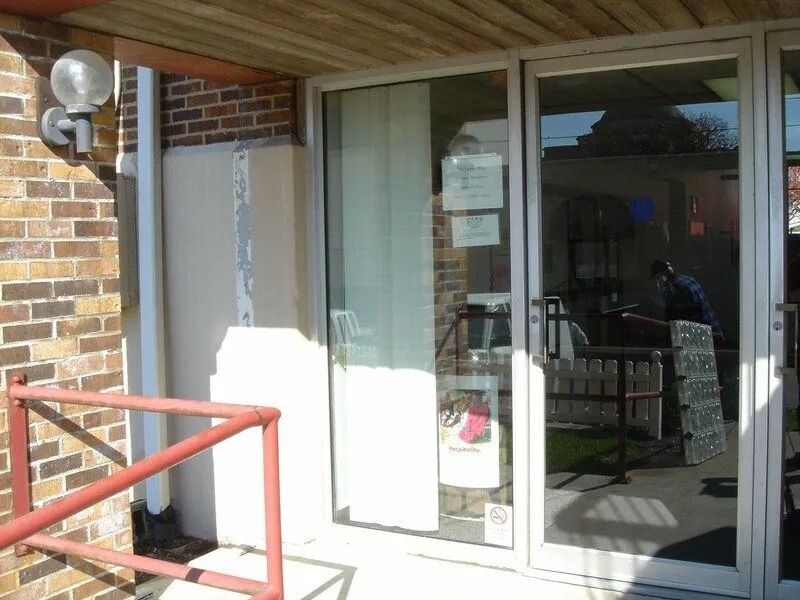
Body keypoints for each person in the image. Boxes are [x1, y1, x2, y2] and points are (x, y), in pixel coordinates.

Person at [650, 259, 723, 338]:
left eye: (657, 278)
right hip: (713, 327)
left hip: (707, 335)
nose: (657, 282)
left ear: (663, 276)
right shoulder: (686, 279)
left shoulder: (676, 287)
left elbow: (681, 314)